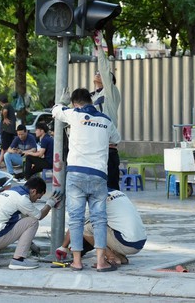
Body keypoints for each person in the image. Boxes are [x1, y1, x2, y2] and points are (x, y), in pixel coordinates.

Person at [52, 88, 121, 272]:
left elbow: (56, 110)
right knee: (99, 220)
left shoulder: (74, 114)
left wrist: (62, 102)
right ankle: (100, 262)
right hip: (99, 174)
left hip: (76, 174)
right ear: (90, 101)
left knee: (76, 219)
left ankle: (76, 261)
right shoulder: (105, 120)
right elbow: (116, 139)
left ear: (75, 103)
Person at [0, 176, 62, 269]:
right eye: (38, 197)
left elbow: (19, 227)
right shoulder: (22, 198)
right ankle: (18, 260)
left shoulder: (9, 192)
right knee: (33, 221)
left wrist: (31, 245)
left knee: (9, 222)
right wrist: (50, 203)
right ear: (33, 191)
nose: (36, 200)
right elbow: (39, 216)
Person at [56, 189, 147, 266]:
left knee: (86, 228)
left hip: (126, 243)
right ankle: (121, 257)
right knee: (106, 224)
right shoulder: (118, 193)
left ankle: (112, 257)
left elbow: (76, 224)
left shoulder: (96, 201)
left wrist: (63, 247)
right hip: (139, 242)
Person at [91, 30, 122, 191]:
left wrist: (99, 46)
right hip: (94, 151)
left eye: (101, 74)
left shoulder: (111, 93)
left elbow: (104, 68)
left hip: (108, 150)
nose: (98, 73)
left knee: (111, 189)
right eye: (96, 73)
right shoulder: (91, 97)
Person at [0, 94, 16, 163]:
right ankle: (3, 162)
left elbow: (5, 111)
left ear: (0, 102)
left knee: (4, 148)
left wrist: (5, 118)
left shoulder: (6, 106)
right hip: (10, 130)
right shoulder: (10, 106)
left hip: (7, 130)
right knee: (7, 147)